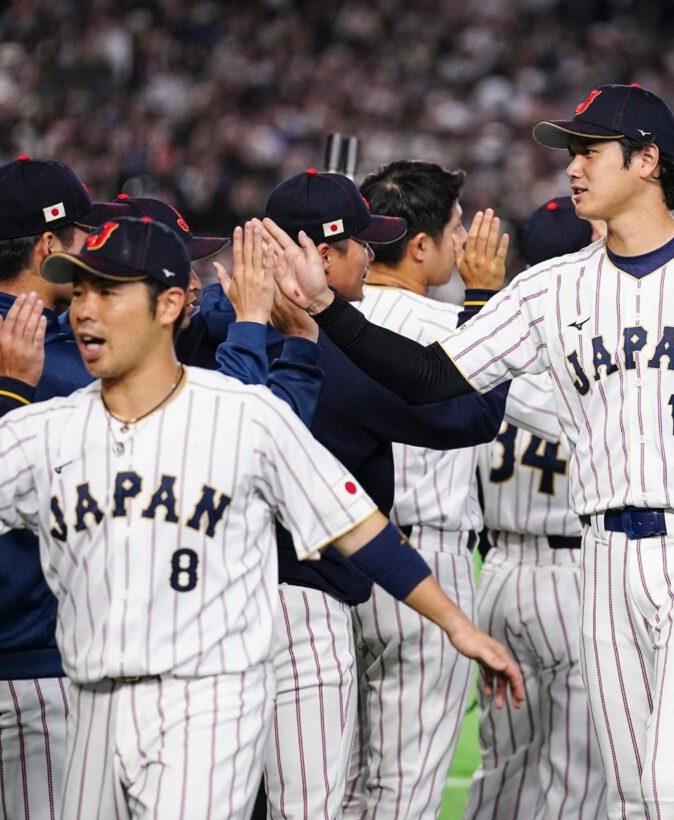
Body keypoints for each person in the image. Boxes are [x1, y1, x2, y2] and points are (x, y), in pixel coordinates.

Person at [265, 83, 674, 819]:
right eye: (571, 152)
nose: (572, 167)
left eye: (590, 151)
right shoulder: (552, 287)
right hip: (603, 555)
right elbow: (432, 378)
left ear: (647, 160)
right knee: (632, 797)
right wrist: (326, 312)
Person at [0, 216, 523, 819]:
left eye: (108, 292)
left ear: (170, 305)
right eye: (78, 291)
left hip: (201, 707)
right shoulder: (45, 430)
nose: (84, 310)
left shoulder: (246, 415)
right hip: (89, 710)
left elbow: (356, 524)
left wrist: (457, 625)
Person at [182, 168, 512, 820]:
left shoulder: (200, 326)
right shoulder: (338, 349)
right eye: (360, 242)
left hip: (206, 600)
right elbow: (463, 418)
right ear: (322, 255)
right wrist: (485, 305)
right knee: (328, 803)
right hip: (312, 593)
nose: (372, 253)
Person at [0, 159, 289, 820]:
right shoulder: (70, 367)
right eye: (80, 242)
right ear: (44, 248)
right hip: (34, 662)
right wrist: (253, 324)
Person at [343, 160, 506, 820]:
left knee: (322, 782)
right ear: (420, 245)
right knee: (401, 787)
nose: (464, 239)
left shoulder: (327, 319)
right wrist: (486, 302)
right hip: (429, 565)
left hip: (338, 558)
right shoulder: (454, 330)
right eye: (457, 226)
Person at [463, 195, 606, 820]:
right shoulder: (595, 349)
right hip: (575, 577)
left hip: (494, 577)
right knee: (579, 775)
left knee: (503, 768)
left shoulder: (487, 340)